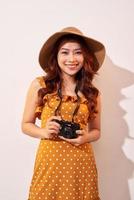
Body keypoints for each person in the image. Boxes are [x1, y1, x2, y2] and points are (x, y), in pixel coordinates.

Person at [21, 26, 105, 200]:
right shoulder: (40, 85)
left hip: (81, 163)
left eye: (78, 53)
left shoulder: (92, 93)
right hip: (50, 163)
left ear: (85, 57)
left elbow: (96, 131)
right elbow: (25, 125)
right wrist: (43, 131)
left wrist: (85, 137)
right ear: (56, 57)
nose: (72, 59)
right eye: (65, 52)